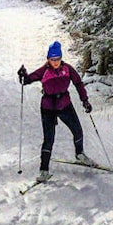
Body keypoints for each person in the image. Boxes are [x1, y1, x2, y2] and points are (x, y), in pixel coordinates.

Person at [18, 41, 96, 182]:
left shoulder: (67, 69)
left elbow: (78, 83)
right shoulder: (44, 70)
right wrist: (23, 75)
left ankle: (80, 154)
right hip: (48, 108)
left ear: (61, 58)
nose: (55, 62)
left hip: (65, 104)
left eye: (57, 59)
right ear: (48, 59)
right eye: (52, 59)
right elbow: (28, 80)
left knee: (77, 130)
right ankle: (44, 170)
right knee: (49, 139)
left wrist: (85, 100)